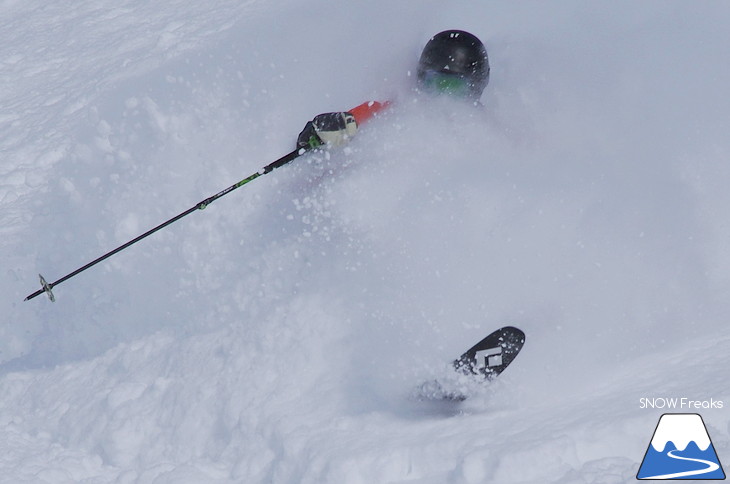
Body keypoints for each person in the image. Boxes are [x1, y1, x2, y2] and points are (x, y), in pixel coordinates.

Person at [296, 30, 490, 151]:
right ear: (422, 79)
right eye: (436, 83)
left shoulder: (490, 133)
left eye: (454, 87)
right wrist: (318, 132)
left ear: (476, 87)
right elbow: (351, 120)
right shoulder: (391, 112)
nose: (443, 98)